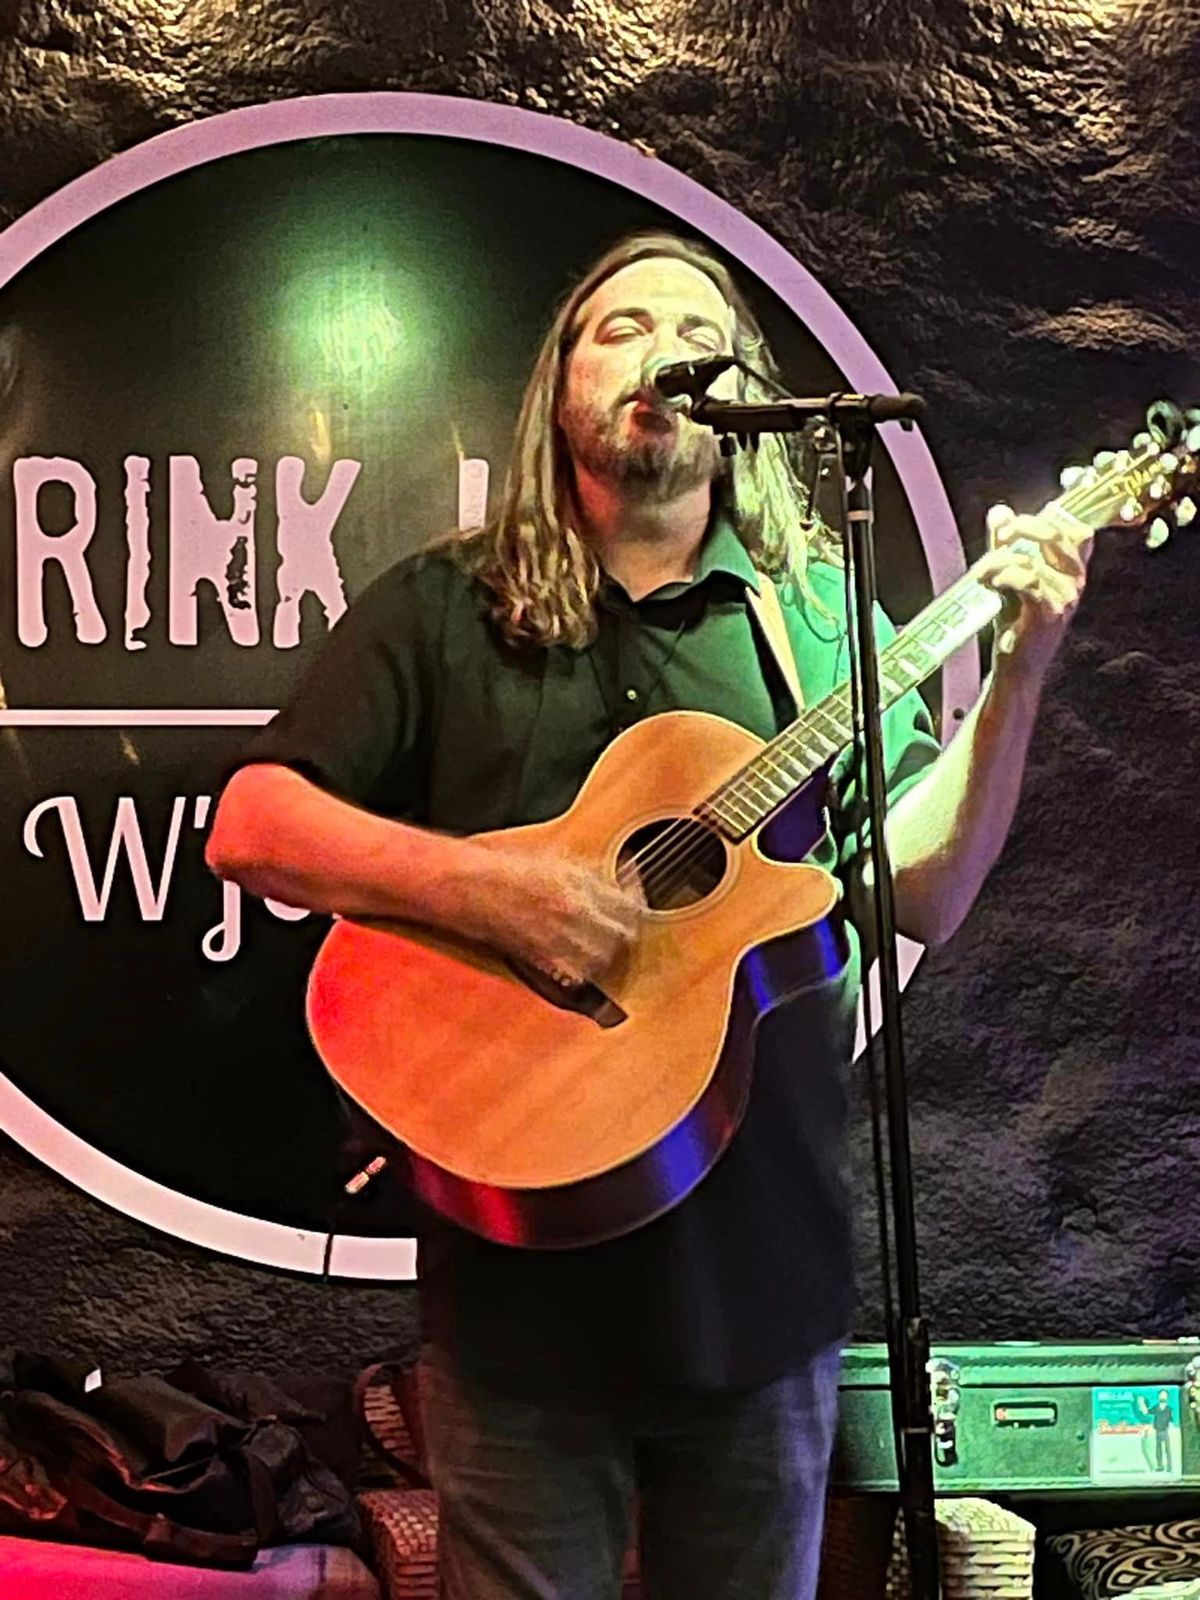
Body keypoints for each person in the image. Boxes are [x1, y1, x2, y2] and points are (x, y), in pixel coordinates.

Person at [206, 230, 1091, 1600]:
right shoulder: (447, 607)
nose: (662, 353)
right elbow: (255, 826)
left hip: (765, 1281)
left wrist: (1022, 670)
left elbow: (924, 886)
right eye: (621, 327)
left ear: (746, 403)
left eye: (697, 333)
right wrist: (499, 894)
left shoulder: (815, 625)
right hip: (517, 1296)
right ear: (559, 385)